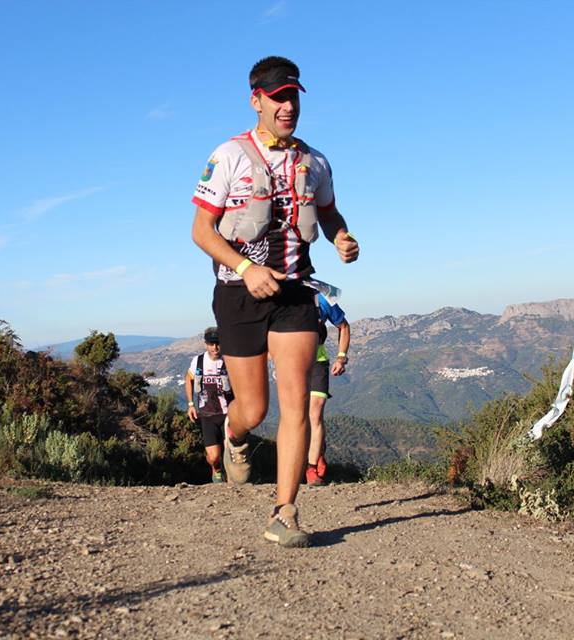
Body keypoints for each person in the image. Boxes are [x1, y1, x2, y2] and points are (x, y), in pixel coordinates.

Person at [190, 55, 359, 547]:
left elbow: (328, 214)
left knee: (296, 403)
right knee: (253, 409)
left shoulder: (316, 162)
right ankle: (235, 435)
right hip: (238, 293)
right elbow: (201, 231)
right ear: (256, 100)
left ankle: (285, 512)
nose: (288, 107)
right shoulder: (229, 156)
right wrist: (246, 269)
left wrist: (341, 236)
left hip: (295, 292)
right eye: (278, 98)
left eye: (293, 98)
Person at [305, 292, 350, 486]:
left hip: (318, 362)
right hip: (292, 364)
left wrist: (341, 357)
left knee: (315, 414)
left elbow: (343, 326)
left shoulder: (321, 299)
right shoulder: (280, 296)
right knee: (298, 416)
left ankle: (312, 468)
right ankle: (317, 450)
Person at [184, 327, 233, 483]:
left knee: (232, 453)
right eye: (211, 344)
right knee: (213, 457)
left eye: (218, 343)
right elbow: (188, 379)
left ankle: (232, 478)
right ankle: (216, 469)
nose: (215, 348)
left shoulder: (230, 360)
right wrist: (191, 404)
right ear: (206, 344)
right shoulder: (198, 361)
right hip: (207, 415)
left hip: (229, 413)